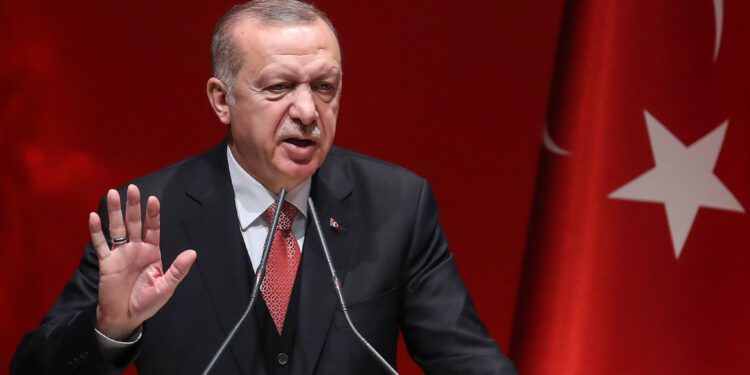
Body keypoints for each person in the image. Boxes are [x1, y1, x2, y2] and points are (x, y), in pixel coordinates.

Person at [11, 1, 517, 374]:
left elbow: (466, 359)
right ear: (222, 100)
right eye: (278, 88)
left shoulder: (397, 205)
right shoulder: (147, 217)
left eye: (325, 88)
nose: (307, 111)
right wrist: (110, 329)